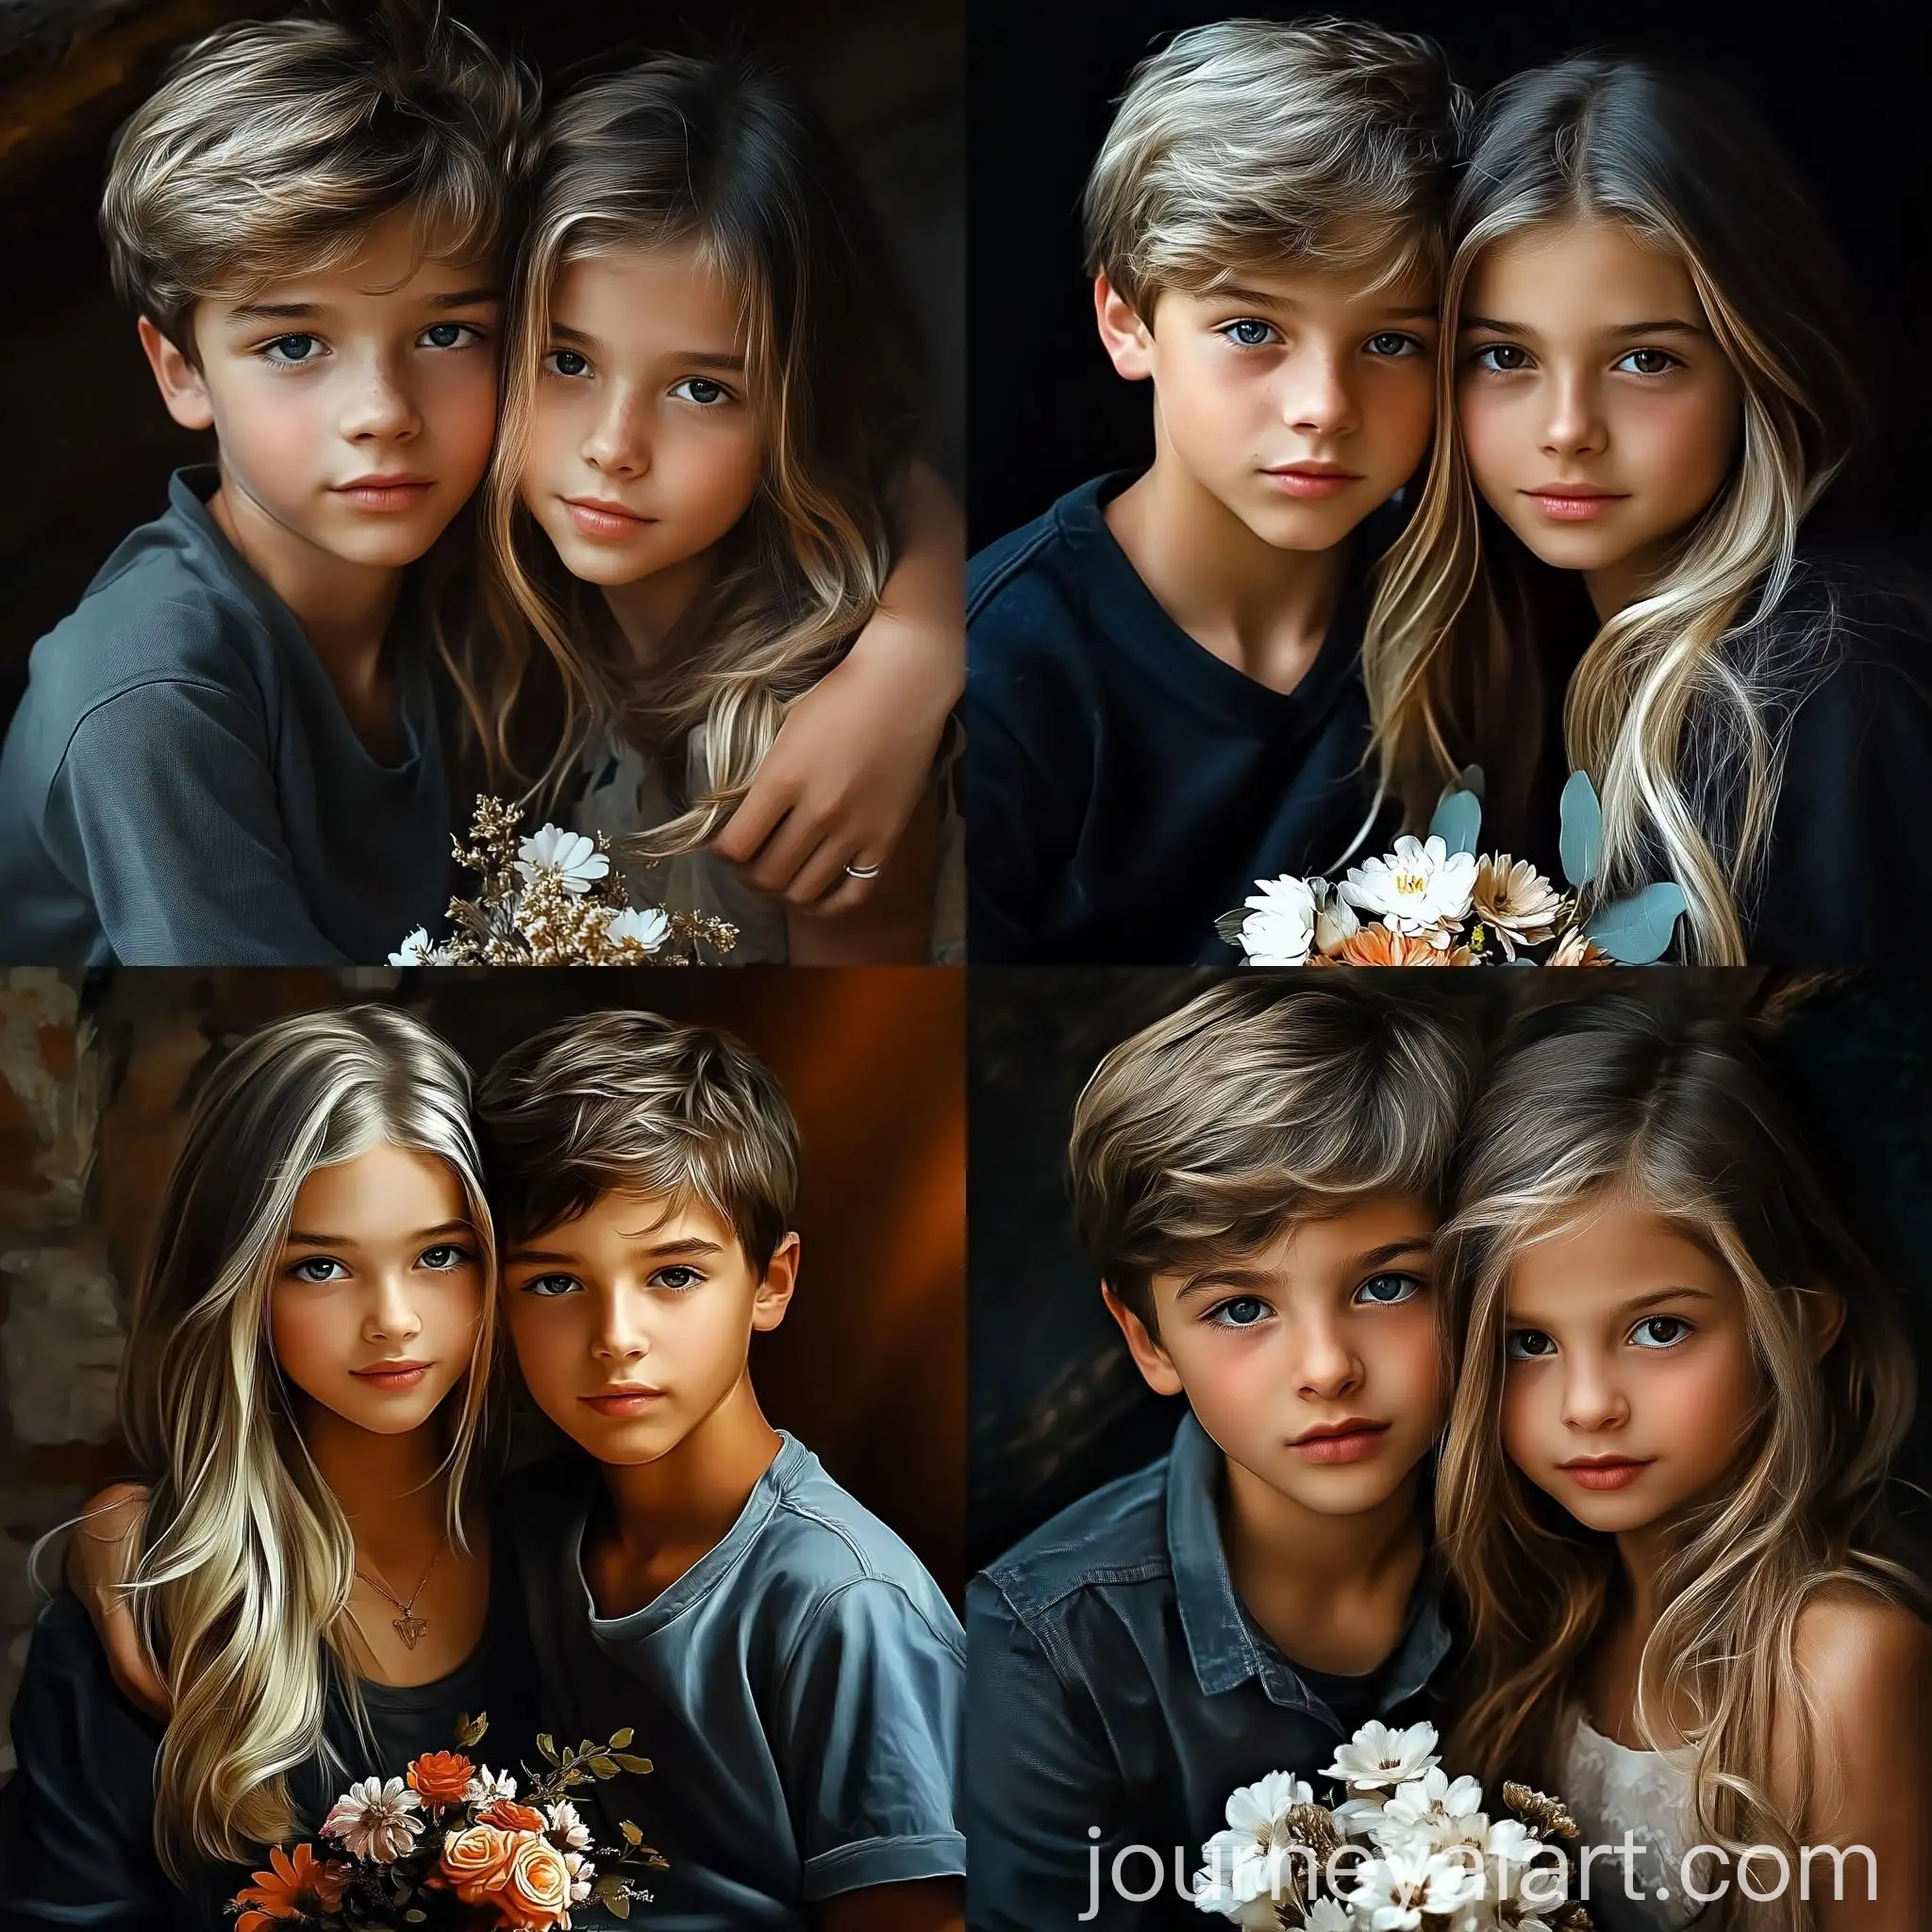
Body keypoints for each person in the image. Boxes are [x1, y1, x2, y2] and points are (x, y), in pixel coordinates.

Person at [1363, 56, 1932, 964]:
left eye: (1645, 361)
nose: (1568, 430)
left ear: (1757, 363)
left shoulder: (1824, 691)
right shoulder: (1504, 639)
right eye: (1505, 357)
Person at [0, 7, 532, 965]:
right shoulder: (149, 695)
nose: (382, 411)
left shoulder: (483, 557)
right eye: (293, 344)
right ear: (182, 373)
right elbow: (268, 1051)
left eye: (448, 332)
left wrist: (900, 651)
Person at [0, 1007, 538, 1928]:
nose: (394, 1317)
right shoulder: (144, 1617)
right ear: (239, 1283)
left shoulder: (579, 1552)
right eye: (321, 1267)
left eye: (439, 1253)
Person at [967, 979, 1477, 1929]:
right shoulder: (1046, 1650)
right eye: (1240, 1308)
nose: (1325, 1367)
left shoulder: (1554, 1545)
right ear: (1149, 1341)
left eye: (1386, 1284)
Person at [965, 18, 1465, 963]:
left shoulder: (1460, 592)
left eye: (1391, 341)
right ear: (1127, 322)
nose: (1323, 406)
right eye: (1251, 330)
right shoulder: (994, 679)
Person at [456, 55, 965, 963]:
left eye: (699, 389)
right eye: (567, 361)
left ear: (796, 413)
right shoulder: (526, 627)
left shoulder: (805, 754)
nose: (614, 445)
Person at [1436, 999, 1932, 1931]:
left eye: (1657, 1328)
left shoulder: (1840, 1663)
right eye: (1526, 1342)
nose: (1586, 1403)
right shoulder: (1538, 1645)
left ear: (1794, 1324)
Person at [475, 1010, 965, 1928]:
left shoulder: (844, 1604)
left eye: (672, 1274)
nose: (613, 1337)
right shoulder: (520, 1527)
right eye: (552, 1281)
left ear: (770, 1282)